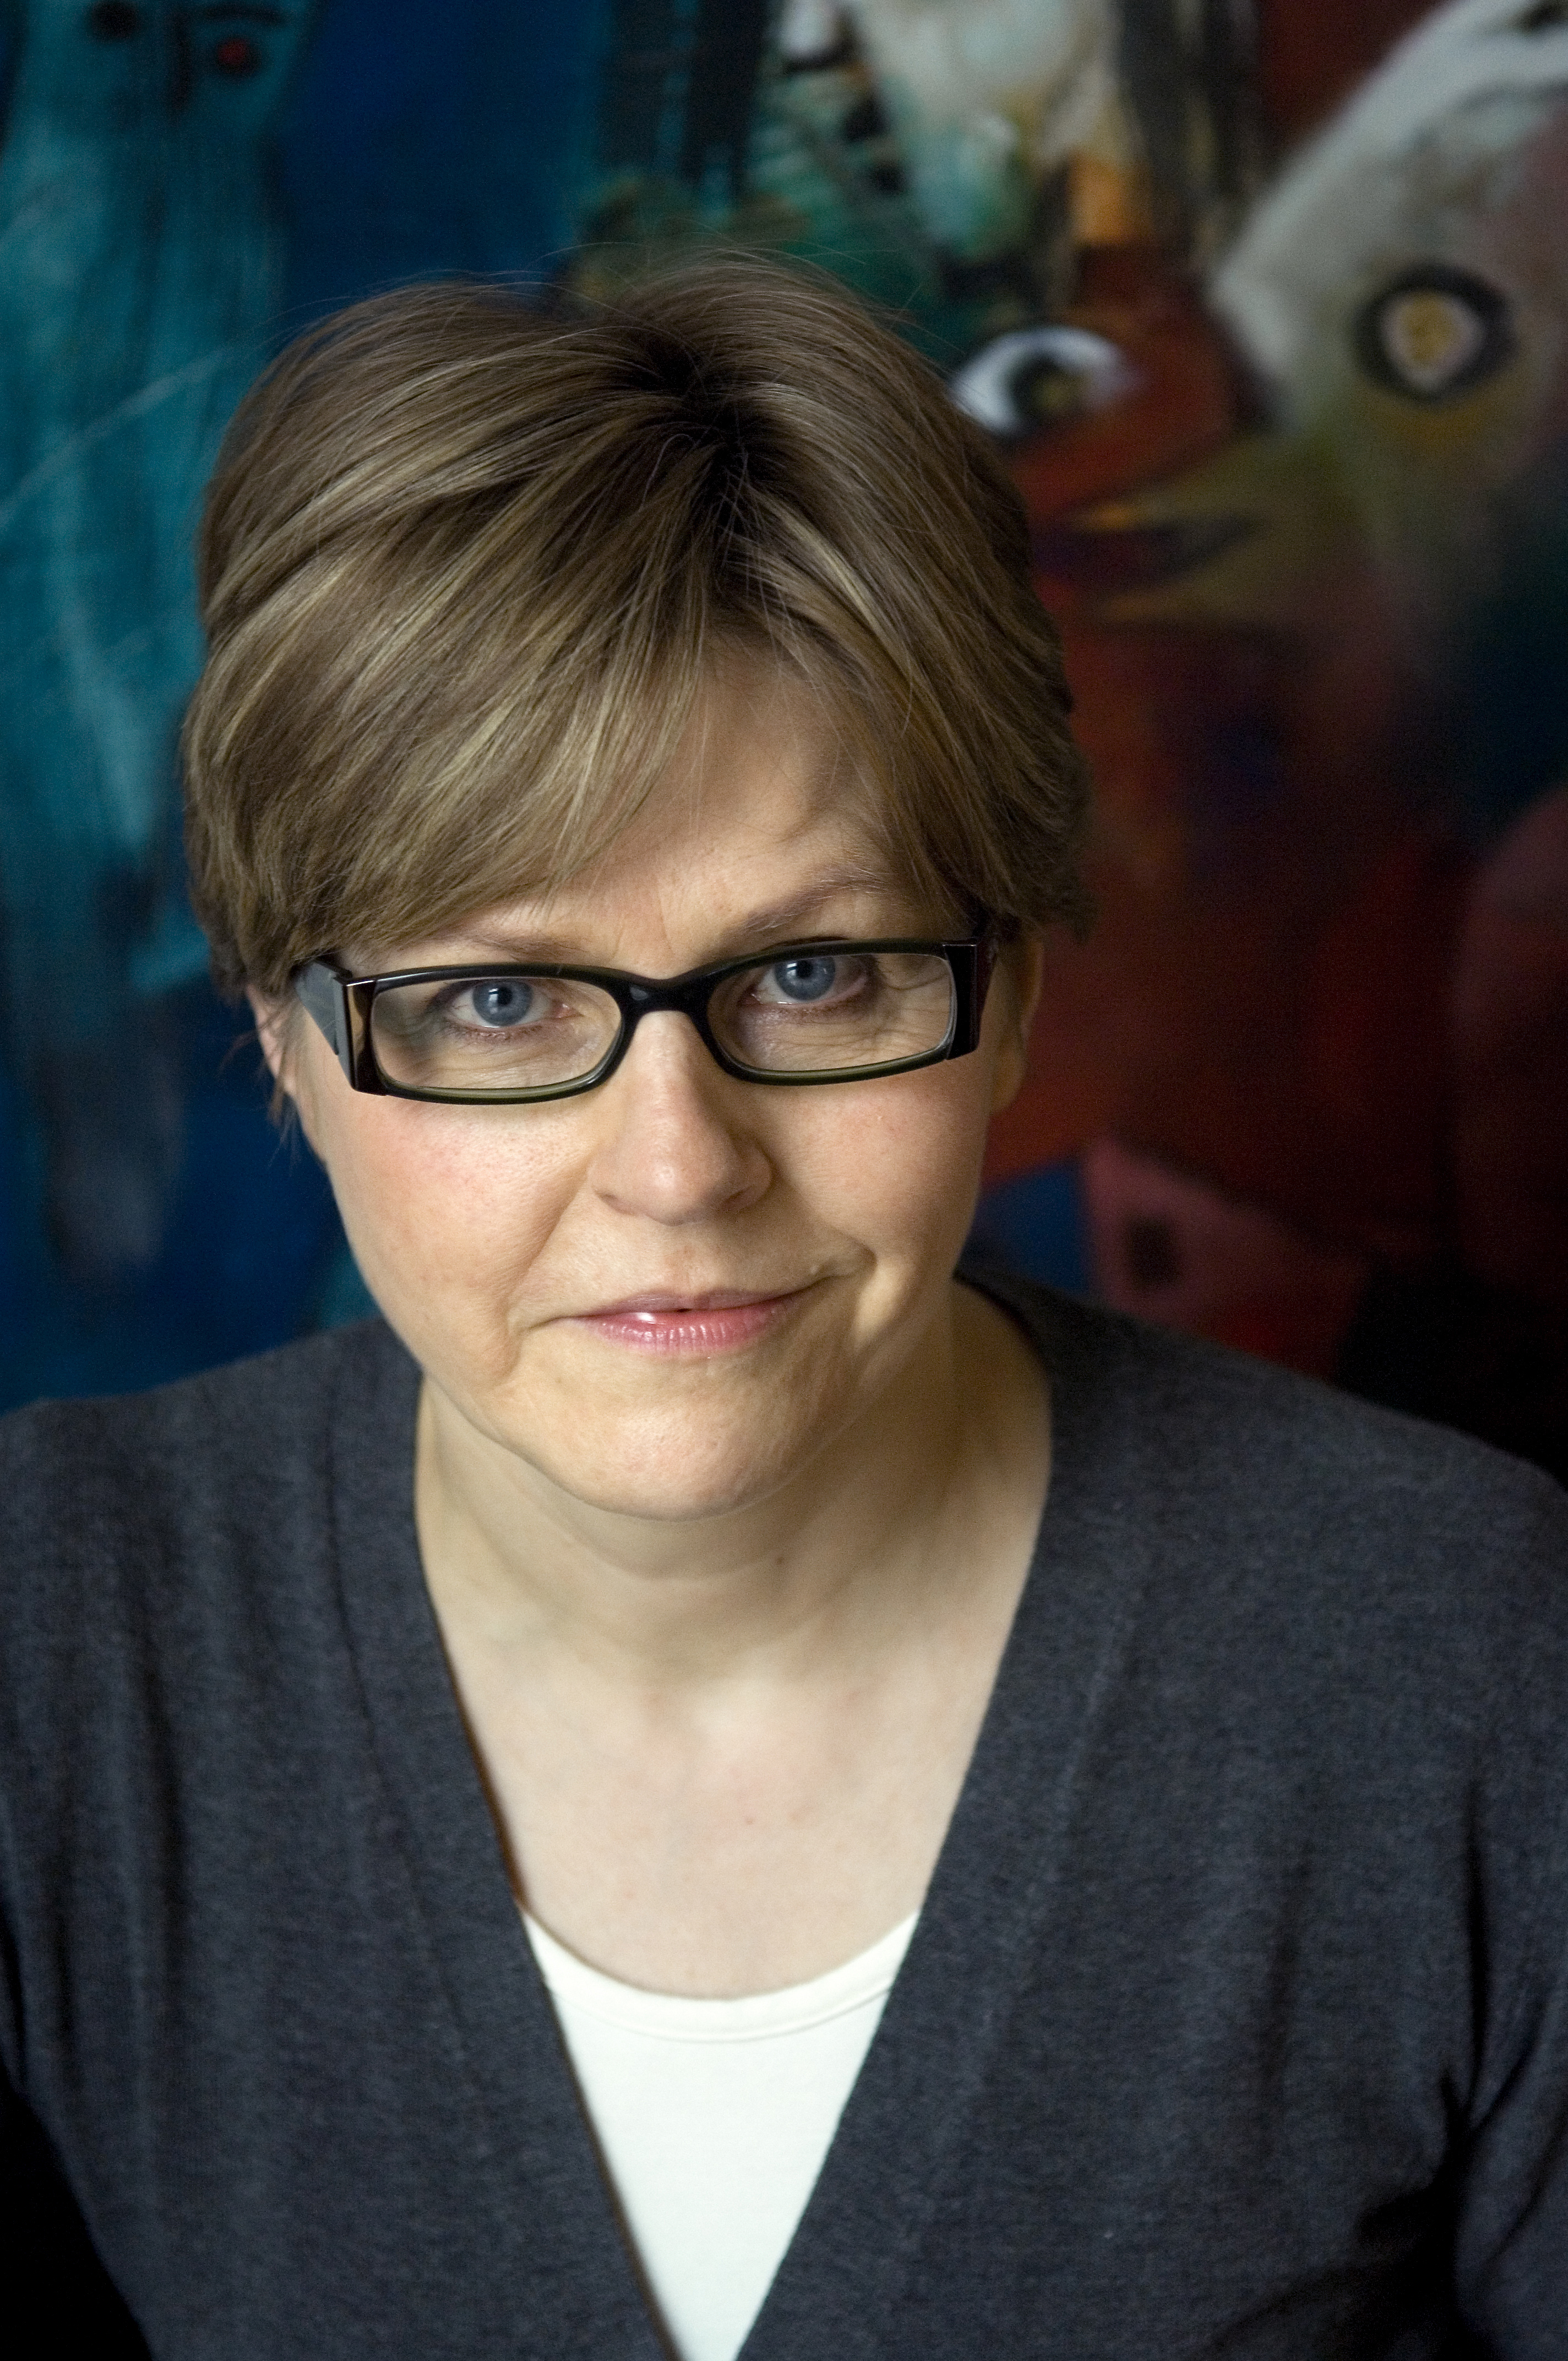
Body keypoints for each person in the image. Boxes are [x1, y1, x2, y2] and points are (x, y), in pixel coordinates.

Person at [2, 259, 1567, 2361]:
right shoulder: (50, 1655)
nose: (678, 1168)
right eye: (497, 999)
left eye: (816, 976)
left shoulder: (1474, 1674)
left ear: (1010, 995)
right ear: (283, 1040)